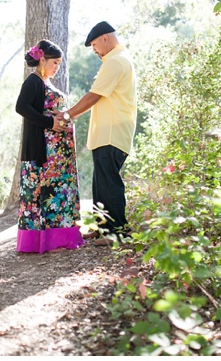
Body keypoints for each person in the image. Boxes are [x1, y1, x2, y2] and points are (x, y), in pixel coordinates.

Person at [55, 22, 136, 245]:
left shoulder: (116, 62)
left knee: (109, 182)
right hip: (106, 132)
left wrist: (67, 115)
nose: (94, 50)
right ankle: (102, 229)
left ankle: (116, 233)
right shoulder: (116, 60)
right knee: (101, 184)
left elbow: (94, 96)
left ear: (105, 39)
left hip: (112, 130)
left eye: (94, 45)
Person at [14, 39, 85, 253]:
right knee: (38, 197)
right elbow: (21, 107)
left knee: (55, 195)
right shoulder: (33, 81)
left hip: (56, 156)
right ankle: (37, 242)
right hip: (43, 153)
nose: (57, 67)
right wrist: (51, 123)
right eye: (54, 63)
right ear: (42, 60)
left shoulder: (45, 82)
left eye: (59, 64)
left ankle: (58, 239)